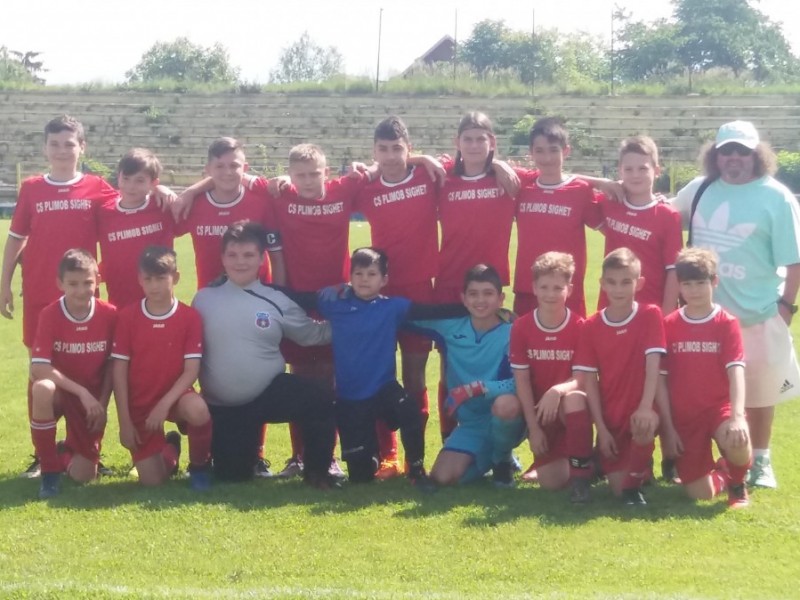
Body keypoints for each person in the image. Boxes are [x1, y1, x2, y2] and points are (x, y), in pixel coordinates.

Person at [673, 120, 800, 488]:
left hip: (758, 314)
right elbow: (659, 215)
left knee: (759, 392)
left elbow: (794, 261)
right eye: (726, 150)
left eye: (742, 151)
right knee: (705, 392)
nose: (733, 157)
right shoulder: (699, 189)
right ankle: (707, 457)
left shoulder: (776, 196)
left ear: (756, 154)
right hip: (704, 318)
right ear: (715, 155)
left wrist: (786, 307)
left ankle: (760, 460)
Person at [1, 115, 118, 478]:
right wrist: (4, 283)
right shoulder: (32, 188)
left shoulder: (97, 187)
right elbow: (16, 239)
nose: (62, 151)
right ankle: (44, 455)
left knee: (91, 370)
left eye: (69, 144)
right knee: (40, 375)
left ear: (82, 147)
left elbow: (133, 204)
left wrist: (164, 191)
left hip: (84, 297)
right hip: (40, 295)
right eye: (55, 144)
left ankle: (88, 449)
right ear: (44, 148)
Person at [191, 221, 338, 488]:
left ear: (261, 259)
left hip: (268, 393)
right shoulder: (203, 299)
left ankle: (318, 472)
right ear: (222, 258)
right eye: (233, 255)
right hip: (223, 407)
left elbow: (313, 335)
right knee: (232, 477)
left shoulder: (277, 299)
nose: (240, 262)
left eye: (248, 255)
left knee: (320, 398)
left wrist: (357, 322)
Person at [312, 247, 468, 488]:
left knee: (409, 409)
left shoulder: (392, 307)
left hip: (384, 390)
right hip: (350, 398)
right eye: (358, 274)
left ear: (384, 280)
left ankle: (416, 468)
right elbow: (300, 299)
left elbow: (431, 312)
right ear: (350, 278)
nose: (364, 279)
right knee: (361, 478)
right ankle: (371, 457)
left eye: (371, 274)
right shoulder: (335, 304)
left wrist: (474, 307)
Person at [264, 143, 366, 479]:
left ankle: (328, 456)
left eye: (314, 174)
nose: (308, 181)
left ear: (327, 173)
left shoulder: (343, 189)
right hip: (296, 301)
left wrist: (419, 157)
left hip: (336, 301)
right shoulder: (282, 196)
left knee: (330, 377)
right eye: (300, 175)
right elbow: (243, 179)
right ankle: (299, 455)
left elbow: (384, 168)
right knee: (301, 378)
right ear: (291, 176)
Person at [354, 116, 441, 478]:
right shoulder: (365, 186)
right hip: (379, 291)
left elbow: (470, 161)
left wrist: (424, 159)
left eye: (397, 149)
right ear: (374, 152)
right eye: (383, 149)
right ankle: (387, 455)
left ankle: (413, 457)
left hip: (419, 291)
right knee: (380, 374)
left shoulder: (428, 176)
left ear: (409, 149)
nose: (390, 156)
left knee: (415, 376)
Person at [434, 112, 518, 442]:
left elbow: (557, 173)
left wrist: (605, 184)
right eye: (467, 139)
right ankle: (449, 437)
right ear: (457, 143)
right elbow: (399, 161)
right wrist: (420, 157)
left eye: (480, 138)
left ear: (492, 142)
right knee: (450, 366)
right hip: (450, 286)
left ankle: (495, 436)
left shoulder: (508, 178)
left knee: (494, 362)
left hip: (489, 290)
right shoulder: (442, 177)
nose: (473, 145)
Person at [412, 264, 524, 487]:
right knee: (443, 478)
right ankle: (492, 455)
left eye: (488, 293)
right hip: (472, 424)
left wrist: (475, 389)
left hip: (509, 415)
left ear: (501, 299)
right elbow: (404, 315)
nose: (480, 300)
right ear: (463, 298)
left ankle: (502, 459)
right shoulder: (450, 327)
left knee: (506, 405)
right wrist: (360, 298)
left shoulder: (514, 331)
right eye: (473, 294)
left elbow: (521, 383)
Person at [111, 246, 213, 491]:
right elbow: (119, 372)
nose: (154, 286)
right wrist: (125, 422)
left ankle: (199, 467)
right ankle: (171, 449)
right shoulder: (127, 317)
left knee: (198, 409)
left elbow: (191, 371)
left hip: (175, 398)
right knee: (153, 481)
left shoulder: (190, 317)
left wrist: (164, 405)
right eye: (148, 279)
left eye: (161, 278)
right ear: (139, 280)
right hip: (140, 404)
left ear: (175, 277)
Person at [659, 248, 751, 508]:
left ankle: (737, 484)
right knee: (699, 494)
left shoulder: (726, 322)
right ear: (679, 286)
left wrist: (737, 416)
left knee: (737, 437)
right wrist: (668, 428)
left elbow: (736, 372)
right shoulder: (669, 324)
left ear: (714, 282)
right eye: (687, 284)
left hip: (719, 409)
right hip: (686, 417)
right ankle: (723, 473)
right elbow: (661, 381)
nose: (694, 290)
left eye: (700, 283)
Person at [574, 248, 665, 505]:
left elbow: (653, 366)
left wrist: (646, 407)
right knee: (615, 486)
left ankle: (632, 490)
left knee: (644, 426)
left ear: (639, 283)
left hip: (641, 409)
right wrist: (601, 430)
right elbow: (590, 382)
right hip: (611, 417)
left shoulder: (650, 315)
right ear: (602, 284)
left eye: (626, 282)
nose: (618, 289)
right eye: (612, 282)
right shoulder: (591, 325)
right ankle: (625, 465)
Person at [29, 249, 117, 498]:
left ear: (97, 280)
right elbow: (39, 367)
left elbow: (113, 365)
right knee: (42, 388)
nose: (81, 290)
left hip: (90, 403)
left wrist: (101, 404)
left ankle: (63, 452)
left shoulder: (110, 314)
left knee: (84, 475)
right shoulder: (50, 314)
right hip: (63, 392)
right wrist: (81, 392)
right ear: (60, 283)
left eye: (87, 283)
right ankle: (49, 472)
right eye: (73, 284)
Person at [509, 252, 594, 503]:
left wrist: (556, 390)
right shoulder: (522, 327)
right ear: (534, 288)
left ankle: (580, 478)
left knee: (574, 398)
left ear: (570, 289)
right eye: (544, 287)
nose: (551, 294)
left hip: (567, 411)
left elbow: (581, 378)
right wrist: (534, 429)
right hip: (541, 416)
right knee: (551, 483)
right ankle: (586, 460)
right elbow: (522, 381)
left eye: (558, 288)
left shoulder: (580, 327)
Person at [513, 117, 602, 318]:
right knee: (526, 337)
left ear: (566, 151)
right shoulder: (522, 185)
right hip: (528, 288)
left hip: (567, 291)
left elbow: (610, 229)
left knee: (571, 339)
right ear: (531, 152)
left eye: (553, 150)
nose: (547, 158)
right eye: (539, 151)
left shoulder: (580, 190)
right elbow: (489, 163)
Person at [175, 137, 285, 290]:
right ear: (208, 169)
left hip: (258, 296)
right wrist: (160, 190)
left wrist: (279, 295)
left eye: (234, 165)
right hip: (211, 296)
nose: (227, 172)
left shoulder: (262, 201)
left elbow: (276, 256)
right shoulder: (193, 204)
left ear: (245, 168)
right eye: (219, 166)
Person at [595, 135, 683, 315]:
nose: (635, 175)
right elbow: (571, 182)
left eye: (642, 168)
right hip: (610, 310)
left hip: (650, 311)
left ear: (656, 170)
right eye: (628, 169)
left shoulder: (668, 215)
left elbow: (673, 271)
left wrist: (666, 317)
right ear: (620, 171)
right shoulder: (610, 203)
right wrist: (602, 183)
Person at [97, 148, 175, 308]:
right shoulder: (104, 213)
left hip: (159, 303)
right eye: (126, 178)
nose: (131, 186)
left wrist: (165, 190)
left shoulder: (163, 207)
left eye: (139, 180)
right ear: (118, 177)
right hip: (120, 302)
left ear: (153, 183)